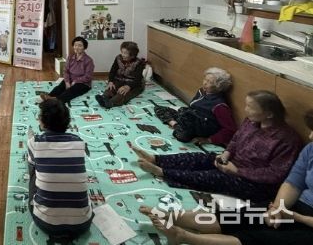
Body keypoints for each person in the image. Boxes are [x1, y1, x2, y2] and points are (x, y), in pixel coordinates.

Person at [139, 110, 313, 245]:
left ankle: (184, 237)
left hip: (304, 218)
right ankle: (171, 216)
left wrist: (298, 218)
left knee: (265, 238)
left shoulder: (285, 139)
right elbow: (293, 183)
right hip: (297, 206)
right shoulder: (310, 149)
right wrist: (277, 207)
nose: (310, 136)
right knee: (238, 216)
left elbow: (273, 173)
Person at [132, 90, 302, 203]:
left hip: (255, 183)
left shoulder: (287, 139)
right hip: (233, 162)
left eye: (250, 107)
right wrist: (226, 153)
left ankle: (163, 172)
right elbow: (236, 140)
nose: (246, 110)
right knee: (199, 158)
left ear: (269, 114)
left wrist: (237, 171)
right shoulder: (251, 122)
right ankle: (156, 158)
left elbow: (275, 174)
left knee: (211, 177)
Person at [27, 98, 93, 238]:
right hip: (82, 224)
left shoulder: (34, 142)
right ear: (67, 121)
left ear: (43, 122)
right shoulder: (79, 142)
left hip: (47, 222)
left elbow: (33, 165)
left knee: (33, 168)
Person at [154, 67, 237, 145]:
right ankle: (175, 125)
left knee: (182, 135)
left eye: (210, 82)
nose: (205, 83)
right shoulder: (202, 92)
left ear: (218, 87)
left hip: (202, 126)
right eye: (205, 79)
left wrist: (209, 140)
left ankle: (180, 126)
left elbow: (230, 130)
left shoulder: (219, 105)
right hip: (190, 118)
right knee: (159, 108)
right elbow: (191, 108)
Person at [43, 36, 94, 104]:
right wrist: (67, 82)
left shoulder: (88, 60)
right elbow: (65, 71)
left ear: (84, 47)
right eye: (75, 45)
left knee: (71, 91)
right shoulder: (70, 57)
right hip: (70, 79)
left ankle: (56, 100)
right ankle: (49, 96)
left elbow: (88, 76)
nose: (77, 47)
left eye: (80, 46)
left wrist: (76, 81)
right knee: (60, 87)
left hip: (83, 83)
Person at [96, 41, 146, 108]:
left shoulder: (139, 63)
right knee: (111, 88)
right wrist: (111, 81)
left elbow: (138, 79)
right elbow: (112, 71)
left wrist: (128, 87)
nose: (122, 55)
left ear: (132, 55)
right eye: (122, 52)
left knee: (122, 93)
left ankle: (111, 103)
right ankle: (104, 97)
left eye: (125, 53)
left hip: (134, 84)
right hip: (120, 80)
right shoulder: (118, 58)